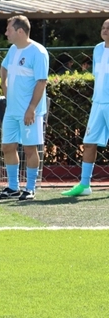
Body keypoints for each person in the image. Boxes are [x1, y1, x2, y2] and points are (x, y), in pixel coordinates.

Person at [0, 15, 48, 202]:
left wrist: (31, 108)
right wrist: (5, 87)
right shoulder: (13, 50)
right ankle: (13, 187)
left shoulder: (38, 52)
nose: (6, 33)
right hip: (12, 110)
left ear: (20, 31)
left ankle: (30, 188)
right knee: (8, 146)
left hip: (29, 112)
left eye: (9, 29)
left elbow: (41, 82)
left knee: (30, 149)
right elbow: (3, 67)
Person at [63, 18, 109, 197]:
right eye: (103, 27)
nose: (105, 30)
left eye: (108, 28)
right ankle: (85, 185)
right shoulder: (97, 49)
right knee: (89, 143)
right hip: (97, 104)